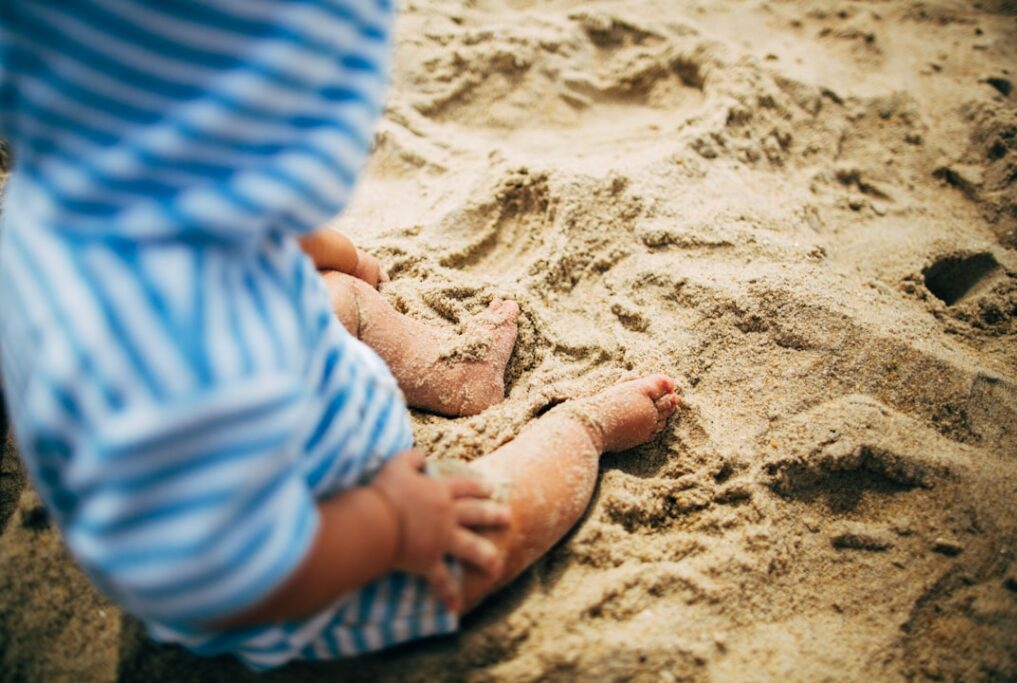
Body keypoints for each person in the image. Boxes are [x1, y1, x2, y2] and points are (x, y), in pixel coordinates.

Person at [0, 0, 680, 670]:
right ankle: (582, 430)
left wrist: (338, 254)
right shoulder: (167, 380)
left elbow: (257, 227)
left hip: (300, 398)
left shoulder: (80, 204)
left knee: (337, 294)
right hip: (310, 566)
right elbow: (229, 572)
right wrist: (390, 522)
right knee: (478, 541)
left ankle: (455, 374)